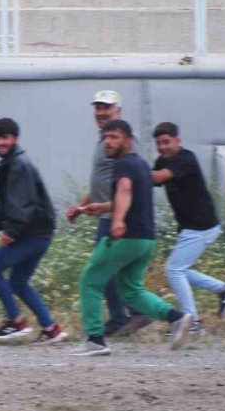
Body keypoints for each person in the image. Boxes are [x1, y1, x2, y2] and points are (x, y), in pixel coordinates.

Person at [70, 120, 193, 356]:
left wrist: (117, 220)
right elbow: (132, 197)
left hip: (126, 237)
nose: (108, 141)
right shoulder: (141, 165)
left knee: (90, 280)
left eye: (114, 137)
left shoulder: (123, 164)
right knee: (131, 291)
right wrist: (105, 207)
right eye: (106, 137)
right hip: (145, 240)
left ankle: (95, 339)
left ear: (128, 141)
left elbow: (125, 190)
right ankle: (177, 318)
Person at [65, 90, 151, 336]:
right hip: (106, 214)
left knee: (101, 269)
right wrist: (81, 208)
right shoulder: (105, 141)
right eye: (98, 108)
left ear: (118, 111)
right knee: (112, 270)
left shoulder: (118, 143)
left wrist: (119, 216)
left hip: (114, 217)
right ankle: (127, 315)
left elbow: (128, 183)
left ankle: (125, 316)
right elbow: (101, 183)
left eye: (107, 108)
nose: (101, 113)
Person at [0, 118, 67, 344]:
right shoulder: (12, 163)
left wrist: (12, 232)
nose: (0, 143)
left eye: (5, 138)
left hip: (31, 233)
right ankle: (51, 328)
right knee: (18, 281)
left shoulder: (18, 165)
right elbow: (7, 205)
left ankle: (16, 322)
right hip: (39, 233)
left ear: (14, 139)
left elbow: (22, 205)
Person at [151, 122, 225, 336]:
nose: (163, 147)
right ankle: (224, 289)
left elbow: (158, 177)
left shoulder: (186, 158)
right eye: (159, 144)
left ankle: (191, 321)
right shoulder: (161, 161)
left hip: (201, 225)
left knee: (174, 270)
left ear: (177, 141)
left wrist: (130, 169)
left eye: (167, 142)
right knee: (179, 270)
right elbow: (149, 183)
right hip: (191, 227)